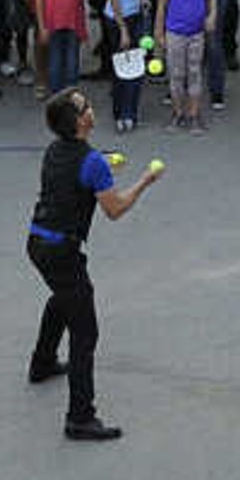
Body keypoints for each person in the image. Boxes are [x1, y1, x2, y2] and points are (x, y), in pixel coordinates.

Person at [27, 88, 163, 442]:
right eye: (85, 106)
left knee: (63, 295)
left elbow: (78, 172)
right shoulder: (93, 163)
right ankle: (80, 418)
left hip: (37, 243)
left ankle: (42, 364)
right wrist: (145, 181)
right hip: (62, 251)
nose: (91, 107)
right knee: (85, 332)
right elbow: (114, 209)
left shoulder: (56, 150)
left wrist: (104, 164)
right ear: (81, 121)